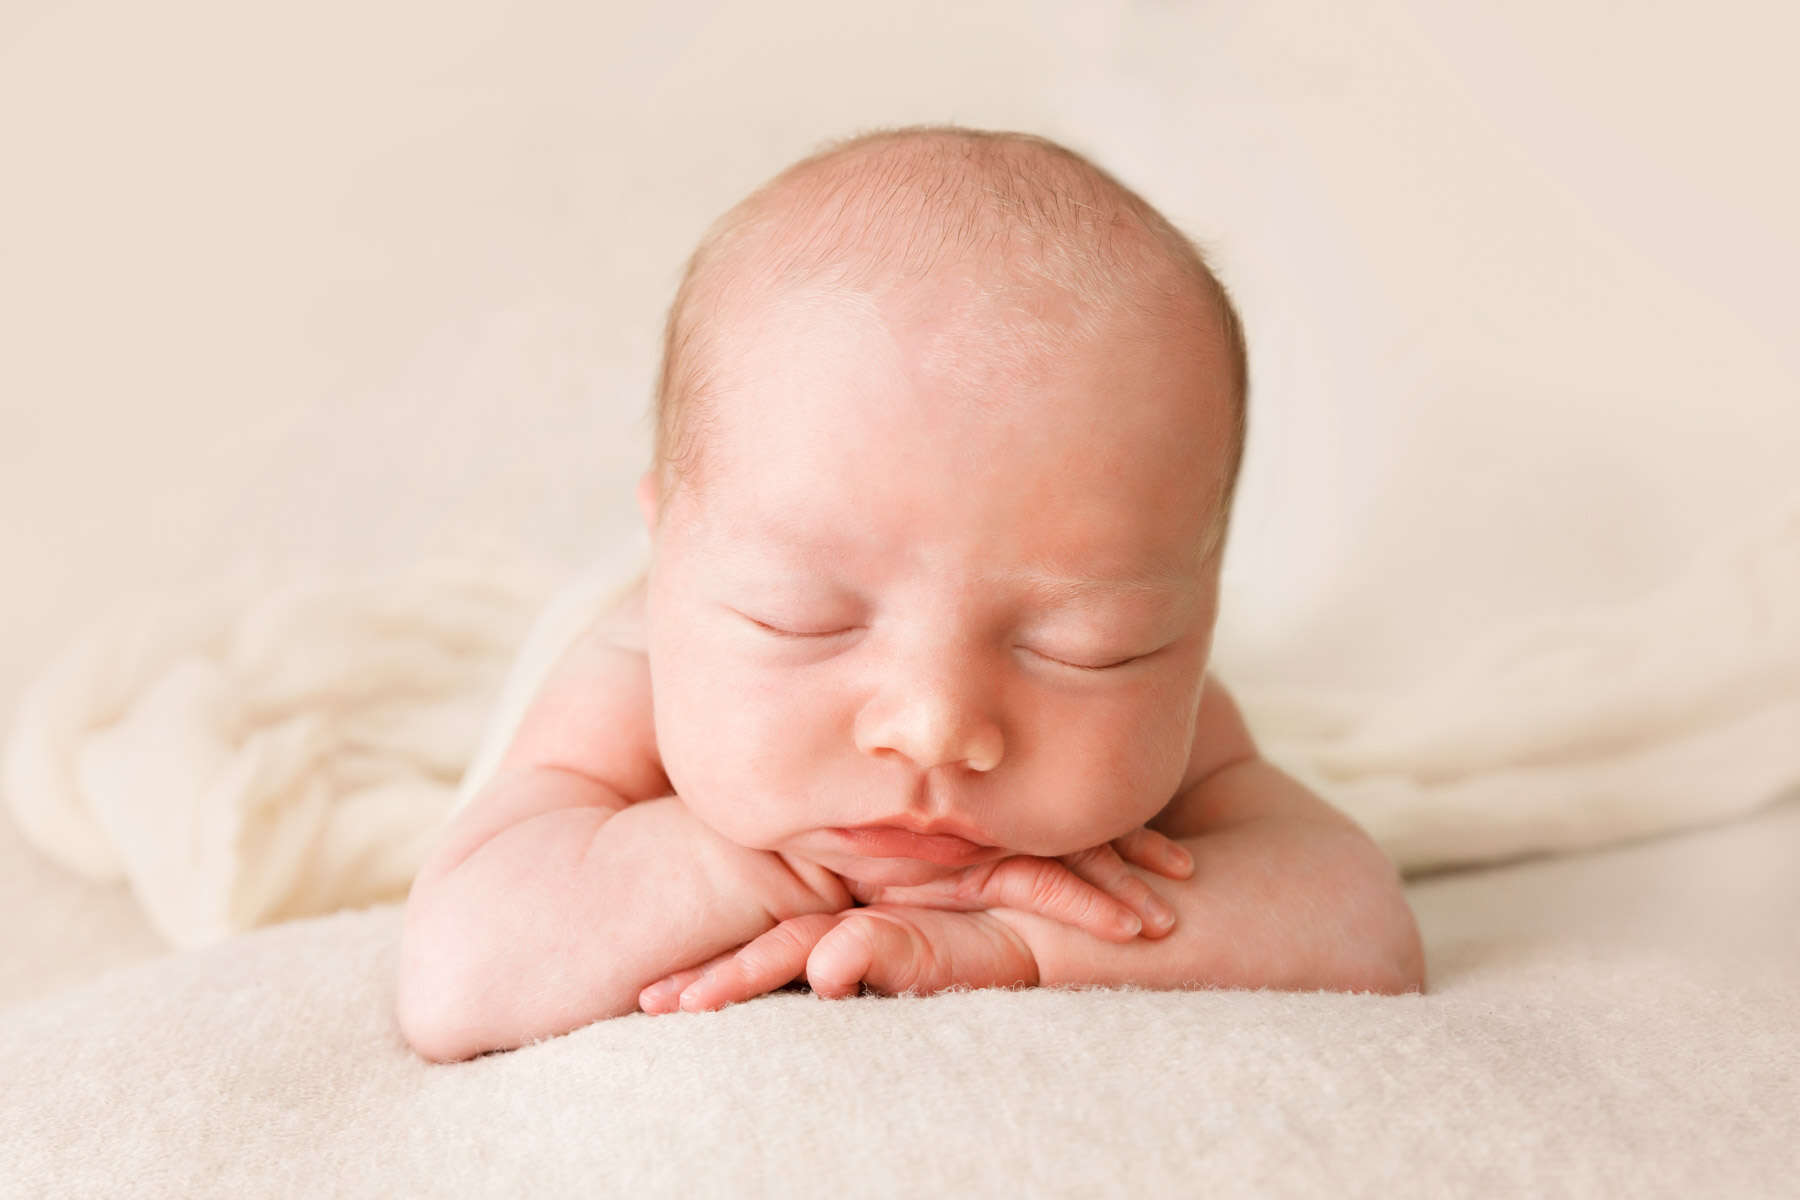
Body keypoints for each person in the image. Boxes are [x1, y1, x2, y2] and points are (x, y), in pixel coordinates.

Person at [396, 125, 1425, 1063]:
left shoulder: (1174, 716)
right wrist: (757, 867)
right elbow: (456, 980)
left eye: (1084, 645)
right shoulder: (627, 679)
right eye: (800, 618)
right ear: (668, 556)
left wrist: (1010, 943)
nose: (935, 728)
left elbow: (1363, 924)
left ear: (1196, 619)